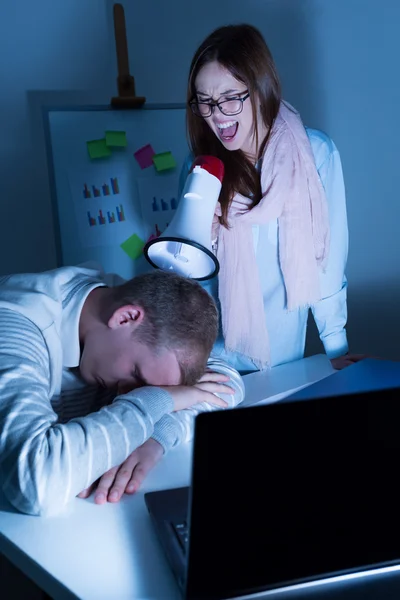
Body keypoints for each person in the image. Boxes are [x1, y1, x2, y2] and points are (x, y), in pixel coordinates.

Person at [181, 23, 366, 374]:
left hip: (282, 366)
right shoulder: (200, 170)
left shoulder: (315, 154)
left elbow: (326, 262)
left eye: (230, 97)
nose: (217, 114)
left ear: (260, 89)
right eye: (204, 102)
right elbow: (197, 284)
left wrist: (336, 348)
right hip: (211, 363)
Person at [0, 265, 244, 516]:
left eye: (148, 388)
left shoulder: (123, 302)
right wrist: (154, 402)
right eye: (137, 375)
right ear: (124, 318)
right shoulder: (12, 324)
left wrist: (156, 436)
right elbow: (37, 484)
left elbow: (228, 383)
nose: (128, 394)